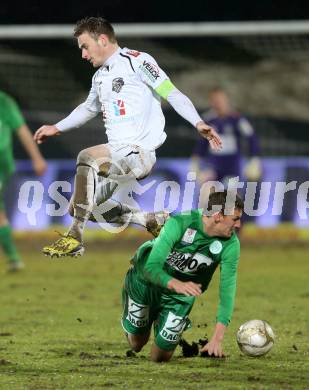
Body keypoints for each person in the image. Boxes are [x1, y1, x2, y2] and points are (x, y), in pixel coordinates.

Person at [33, 17, 222, 258]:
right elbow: (87, 108)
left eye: (84, 46)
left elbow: (171, 93)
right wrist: (57, 127)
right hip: (118, 156)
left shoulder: (138, 61)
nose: (83, 54)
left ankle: (75, 236)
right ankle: (147, 219)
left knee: (86, 157)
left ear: (102, 40)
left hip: (138, 152)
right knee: (79, 206)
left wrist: (198, 121)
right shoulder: (100, 77)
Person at [121, 190, 242, 362]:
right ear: (218, 216)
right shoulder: (180, 222)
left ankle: (163, 319)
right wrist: (175, 283)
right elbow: (152, 267)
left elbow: (227, 291)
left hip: (180, 296)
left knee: (160, 358)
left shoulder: (231, 245)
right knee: (136, 344)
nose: (238, 225)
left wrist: (217, 339)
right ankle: (146, 312)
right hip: (145, 282)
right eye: (235, 219)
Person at [0, 90, 47, 272]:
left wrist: (37, 158)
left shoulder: (4, 101)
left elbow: (22, 130)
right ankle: (13, 258)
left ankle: (13, 258)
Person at [191, 87, 261, 190]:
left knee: (231, 197)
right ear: (211, 102)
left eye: (220, 100)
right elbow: (202, 143)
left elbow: (251, 137)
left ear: (226, 100)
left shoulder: (237, 119)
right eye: (215, 101)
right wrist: (195, 161)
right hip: (213, 165)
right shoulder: (208, 120)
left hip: (231, 166)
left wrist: (254, 159)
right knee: (207, 193)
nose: (218, 104)